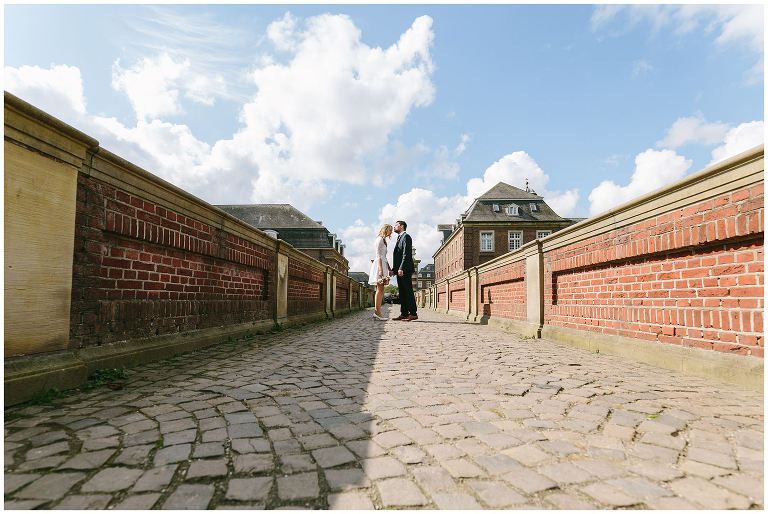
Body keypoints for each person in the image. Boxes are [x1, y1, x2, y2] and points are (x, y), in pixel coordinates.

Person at [390, 220, 418, 321]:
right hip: (399, 270)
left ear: (401, 226)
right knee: (402, 292)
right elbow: (398, 256)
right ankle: (404, 313)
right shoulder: (399, 238)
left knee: (408, 291)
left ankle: (413, 313)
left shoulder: (406, 237)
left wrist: (401, 268)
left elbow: (406, 254)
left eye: (396, 225)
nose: (394, 227)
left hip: (405, 269)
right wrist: (394, 270)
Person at [369, 224, 393, 320]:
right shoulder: (379, 240)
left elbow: (384, 257)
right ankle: (377, 313)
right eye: (390, 230)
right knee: (379, 290)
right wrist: (380, 270)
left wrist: (389, 269)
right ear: (386, 230)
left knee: (381, 290)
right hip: (380, 265)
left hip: (383, 264)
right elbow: (378, 255)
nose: (391, 232)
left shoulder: (383, 240)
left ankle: (377, 312)